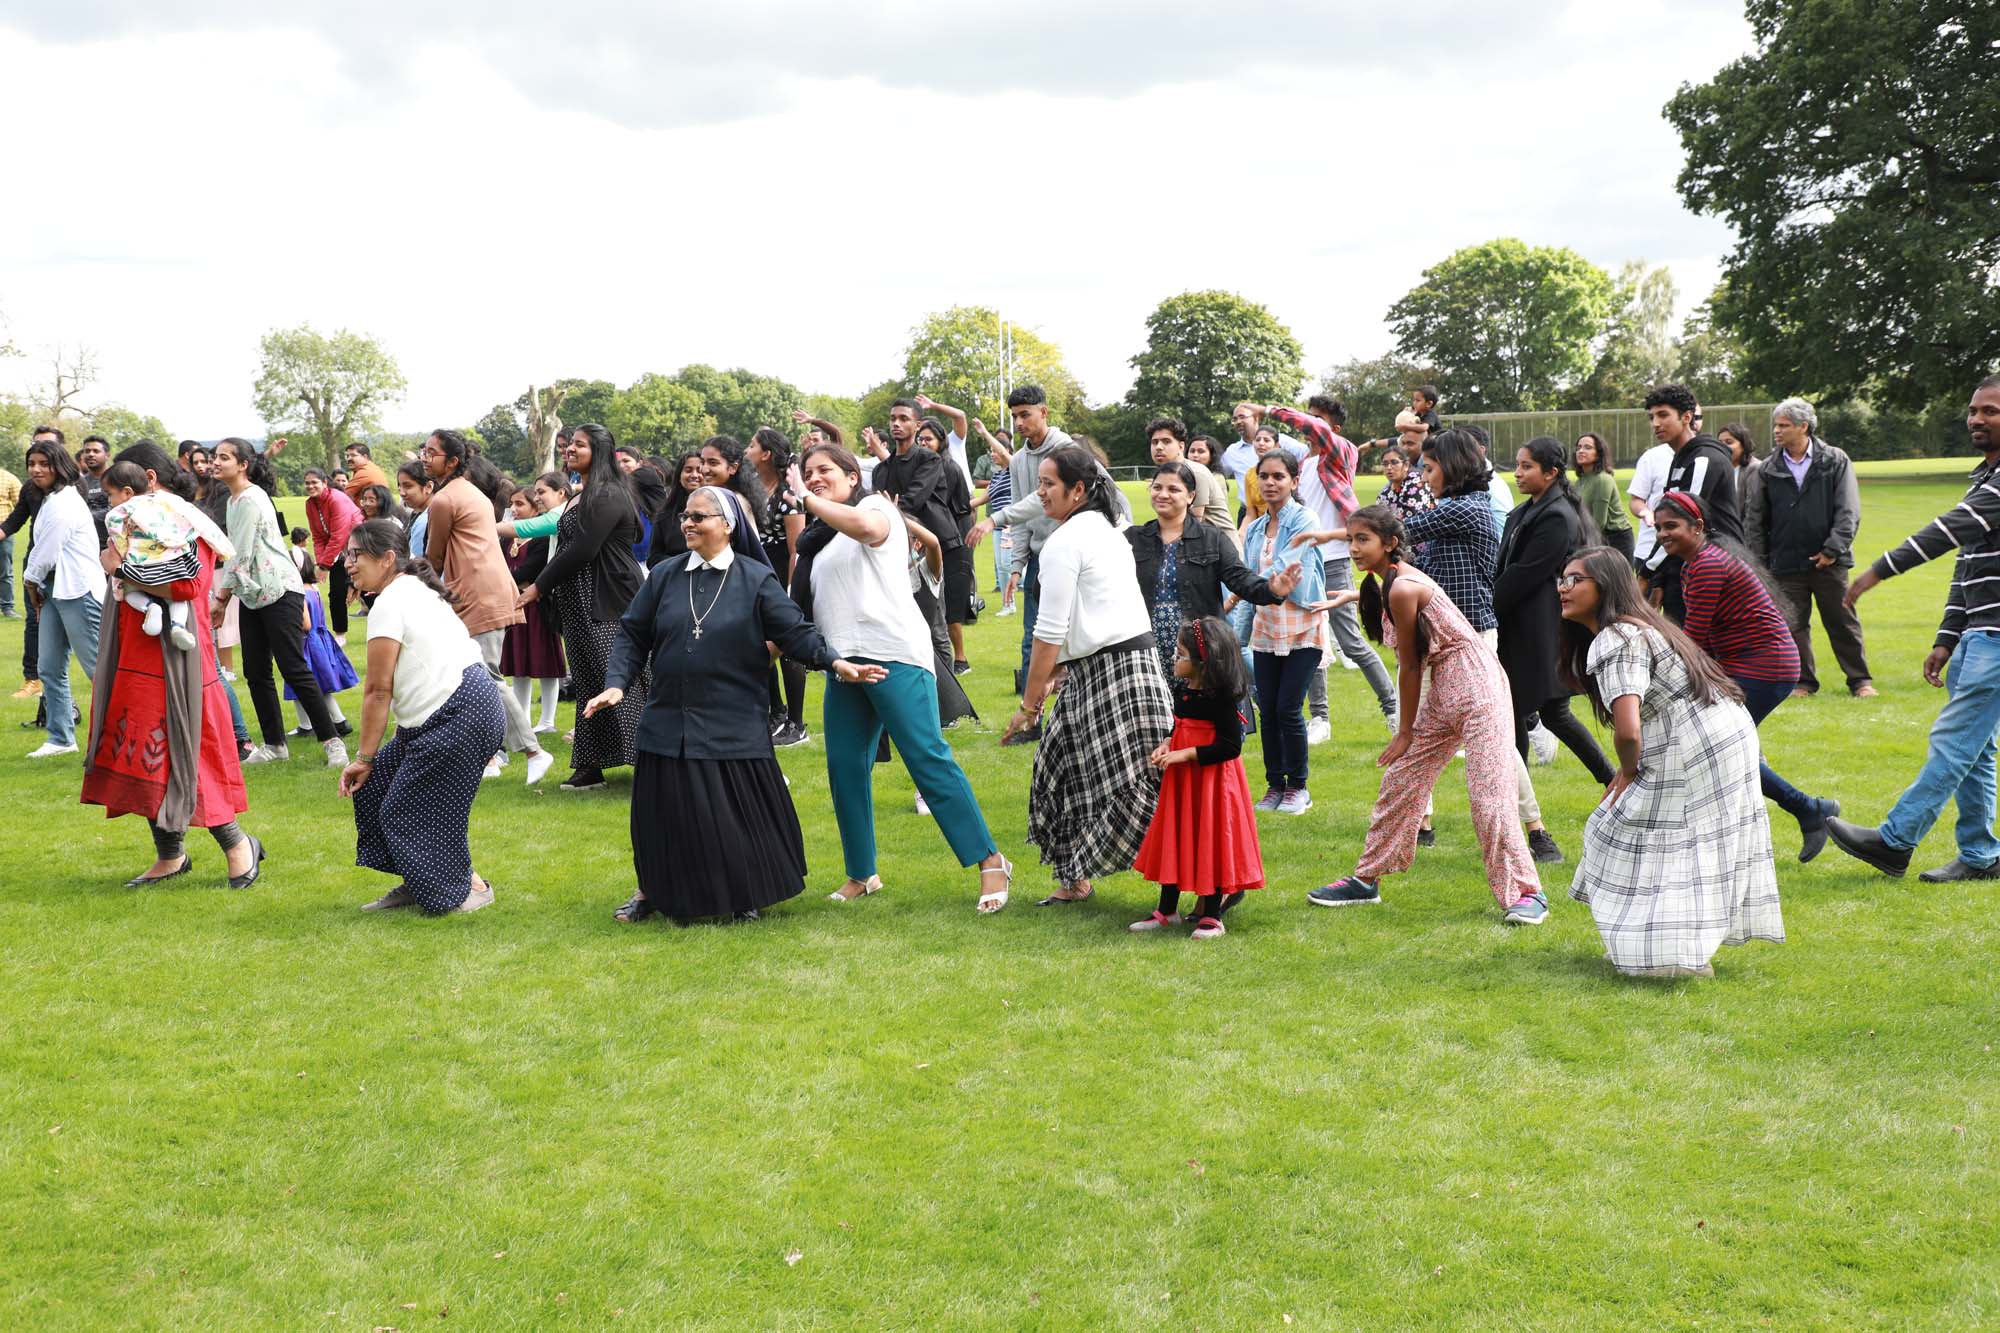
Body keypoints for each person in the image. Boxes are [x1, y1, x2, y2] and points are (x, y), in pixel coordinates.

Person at [587, 486, 884, 924]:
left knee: (734, 817)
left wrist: (836, 663)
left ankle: (745, 893)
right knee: (660, 818)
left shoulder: (753, 578)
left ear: (727, 526)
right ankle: (650, 891)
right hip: (668, 716)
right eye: (685, 516)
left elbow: (795, 632)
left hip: (732, 716)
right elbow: (632, 634)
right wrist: (617, 684)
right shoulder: (665, 575)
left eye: (698, 516)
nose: (687, 523)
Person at [783, 451, 1014, 911]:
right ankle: (862, 872)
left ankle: (991, 860)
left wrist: (806, 496)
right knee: (846, 768)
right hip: (845, 664)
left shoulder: (875, 508)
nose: (815, 478)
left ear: (853, 477)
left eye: (825, 470)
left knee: (926, 758)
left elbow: (865, 529)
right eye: (808, 473)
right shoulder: (818, 539)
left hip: (894, 656)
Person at [1305, 506, 1546, 923]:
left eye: (1363, 539)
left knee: (1489, 797)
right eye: (1350, 539)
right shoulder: (1390, 582)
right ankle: (1367, 879)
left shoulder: (1401, 587)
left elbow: (1411, 666)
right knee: (1401, 779)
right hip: (1446, 689)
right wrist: (1352, 596)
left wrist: (1404, 731)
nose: (1354, 548)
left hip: (1478, 688)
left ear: (1390, 544)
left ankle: (1527, 893)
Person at [1556, 546, 1783, 976]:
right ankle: (1658, 946)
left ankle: (1677, 956)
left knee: (1657, 835)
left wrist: (1627, 773)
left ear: (1605, 586)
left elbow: (1628, 730)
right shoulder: (1636, 626)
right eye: (1561, 580)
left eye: (1574, 580)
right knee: (1653, 833)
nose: (1562, 589)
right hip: (1716, 729)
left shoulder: (1616, 638)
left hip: (1697, 740)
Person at [1823, 376, 2000, 881]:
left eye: (1990, 411)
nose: (1977, 419)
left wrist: (1879, 570)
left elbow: (1947, 531)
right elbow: (1967, 565)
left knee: (1954, 742)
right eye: (1974, 410)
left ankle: (1895, 841)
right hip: (1978, 635)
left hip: (1997, 638)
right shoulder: (1985, 479)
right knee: (1976, 751)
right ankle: (1981, 855)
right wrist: (1947, 637)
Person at [82, 442, 262, 890]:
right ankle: (169, 854)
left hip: (177, 656)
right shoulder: (131, 519)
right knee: (143, 751)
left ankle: (238, 844)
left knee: (191, 749)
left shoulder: (186, 522)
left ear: (148, 477)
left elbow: (188, 586)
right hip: (135, 651)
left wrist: (121, 572)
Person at [1002, 445, 1174, 904]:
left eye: (1049, 484)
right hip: (1100, 668)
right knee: (1061, 768)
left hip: (1121, 674)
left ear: (1077, 490)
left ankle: (1204, 879)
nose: (1040, 492)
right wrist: (1060, 671)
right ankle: (1075, 879)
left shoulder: (1067, 541)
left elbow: (1048, 633)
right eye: (1039, 483)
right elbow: (1088, 614)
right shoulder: (1104, 529)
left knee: (1143, 784)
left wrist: (1028, 707)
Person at [1652, 491, 1839, 858]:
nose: (1662, 534)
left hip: (1764, 667)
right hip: (1750, 664)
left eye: (1671, 526)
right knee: (1725, 746)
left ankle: (1809, 809)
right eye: (1658, 527)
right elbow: (1703, 639)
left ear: (1697, 526)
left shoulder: (1706, 565)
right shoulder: (1695, 564)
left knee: (1720, 747)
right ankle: (1790, 815)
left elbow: (1694, 638)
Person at [337, 520, 503, 915]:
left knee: (409, 811)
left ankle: (470, 888)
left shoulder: (391, 601)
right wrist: (374, 762)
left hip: (460, 714)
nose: (348, 563)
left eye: (356, 554)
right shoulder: (413, 589)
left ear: (387, 559)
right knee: (377, 787)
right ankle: (420, 879)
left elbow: (378, 690)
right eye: (347, 554)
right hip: (461, 710)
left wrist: (363, 757)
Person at [969, 385, 1131, 711]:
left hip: (1081, 557)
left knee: (1081, 637)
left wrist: (994, 518)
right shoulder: (1018, 461)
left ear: (1043, 412)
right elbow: (1025, 514)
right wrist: (1016, 567)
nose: (1019, 422)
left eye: (1025, 414)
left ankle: (1082, 708)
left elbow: (1114, 498)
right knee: (1034, 637)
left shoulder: (1068, 451)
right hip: (1041, 558)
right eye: (1014, 416)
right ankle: (1032, 717)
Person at [1254, 397, 1400, 730]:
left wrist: (1271, 411)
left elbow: (1315, 429)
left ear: (1333, 428)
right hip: (1306, 561)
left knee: (1350, 641)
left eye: (1317, 419)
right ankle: (1320, 719)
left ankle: (1392, 708)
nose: (1309, 426)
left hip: (1334, 558)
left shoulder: (1341, 452)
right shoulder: (1304, 462)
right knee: (1309, 640)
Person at [420, 429, 555, 786]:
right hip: (483, 590)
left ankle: (533, 751)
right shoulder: (470, 493)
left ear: (452, 461)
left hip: (477, 593)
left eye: (432, 453)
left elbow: (434, 557)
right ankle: (490, 756)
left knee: (486, 677)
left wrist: (415, 587)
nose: (424, 458)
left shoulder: (444, 500)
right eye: (424, 451)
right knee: (469, 678)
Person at [207, 439, 348, 767]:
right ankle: (274, 745)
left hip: (279, 590)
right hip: (253, 593)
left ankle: (333, 742)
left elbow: (240, 555)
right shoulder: (233, 500)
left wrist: (221, 599)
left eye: (223, 457)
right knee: (255, 671)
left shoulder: (250, 499)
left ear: (243, 465)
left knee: (293, 667)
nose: (216, 462)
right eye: (215, 456)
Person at [523, 423, 646, 790]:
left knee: (616, 677)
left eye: (580, 444)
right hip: (579, 598)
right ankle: (591, 764)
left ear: (600, 451)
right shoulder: (584, 492)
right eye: (570, 443)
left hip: (608, 595)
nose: (570, 449)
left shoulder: (608, 493)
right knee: (589, 677)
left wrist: (538, 587)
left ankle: (649, 758)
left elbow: (583, 549)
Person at [1129, 616, 1264, 939]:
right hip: (1183, 783)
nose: (1174, 658)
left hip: (1212, 785)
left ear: (1204, 661)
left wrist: (1184, 755)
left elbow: (1229, 747)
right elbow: (1178, 726)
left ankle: (1212, 916)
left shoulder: (1222, 698)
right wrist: (1167, 744)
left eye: (1181, 654)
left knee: (1211, 839)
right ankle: (1167, 910)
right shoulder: (1183, 690)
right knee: (1176, 836)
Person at [1495, 438, 1616, 788]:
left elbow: (1525, 574)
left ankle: (1610, 782)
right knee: (1539, 711)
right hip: (1524, 624)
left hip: (1540, 627)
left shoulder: (1557, 516)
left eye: (1527, 466)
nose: (1517, 473)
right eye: (1518, 465)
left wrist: (1486, 607)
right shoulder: (1530, 509)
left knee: (1531, 709)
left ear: (1550, 473)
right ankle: (1611, 783)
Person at [1741, 398, 1874, 698]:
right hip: (1784, 563)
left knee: (1842, 621)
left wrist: (1832, 550)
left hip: (1830, 562)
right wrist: (1760, 564)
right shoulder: (1767, 468)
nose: (1777, 430)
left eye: (1784, 425)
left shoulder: (1835, 460)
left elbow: (1848, 510)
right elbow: (1755, 519)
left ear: (1803, 427)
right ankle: (1803, 682)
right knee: (1793, 626)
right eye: (1776, 425)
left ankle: (1860, 681)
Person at [1127, 461, 1298, 678]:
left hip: (1197, 648)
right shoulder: (1133, 539)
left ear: (1191, 496)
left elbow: (1240, 579)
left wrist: (1271, 590)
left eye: (1173, 489)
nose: (1163, 494)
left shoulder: (1211, 539)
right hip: (1147, 648)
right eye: (1157, 487)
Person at [1239, 450, 1327, 814]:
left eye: (1278, 476)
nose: (1270, 483)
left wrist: (1242, 590)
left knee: (1289, 708)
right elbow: (1250, 583)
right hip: (1266, 629)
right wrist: (1238, 638)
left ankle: (1298, 788)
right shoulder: (1255, 528)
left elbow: (1282, 569)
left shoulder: (1304, 519)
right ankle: (1275, 785)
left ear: (1294, 481)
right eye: (1264, 476)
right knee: (1268, 710)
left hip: (1302, 627)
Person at [21, 436, 104, 758]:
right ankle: (60, 738)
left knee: (98, 670)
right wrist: (36, 585)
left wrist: (30, 584)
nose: (36, 470)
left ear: (60, 466)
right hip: (53, 590)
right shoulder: (50, 499)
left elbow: (45, 552)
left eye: (44, 464)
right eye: (32, 464)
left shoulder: (64, 502)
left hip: (77, 591)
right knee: (49, 667)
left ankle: (123, 737)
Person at [100, 459, 230, 655]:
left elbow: (118, 541)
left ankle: (149, 607)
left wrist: (119, 570)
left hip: (140, 565)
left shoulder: (119, 512)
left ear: (127, 492)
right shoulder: (172, 503)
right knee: (177, 601)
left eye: (110, 494)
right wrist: (223, 549)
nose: (109, 501)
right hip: (173, 561)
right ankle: (178, 625)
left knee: (130, 592)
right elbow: (207, 527)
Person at [1640, 384, 1741, 618]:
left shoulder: (1704, 460)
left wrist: (1646, 574)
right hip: (1685, 568)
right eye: (1652, 417)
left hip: (1714, 572)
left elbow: (1681, 523)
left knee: (1700, 642)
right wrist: (1660, 580)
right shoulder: (1682, 458)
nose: (1655, 423)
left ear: (1686, 417)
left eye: (1663, 415)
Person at [745, 427, 810, 745]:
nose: (747, 450)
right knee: (760, 643)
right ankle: (776, 712)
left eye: (752, 445)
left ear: (766, 454)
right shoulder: (753, 488)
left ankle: (797, 724)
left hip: (783, 571)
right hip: (757, 571)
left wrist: (789, 590)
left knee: (787, 646)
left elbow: (796, 548)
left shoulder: (788, 494)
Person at [499, 480, 567, 735]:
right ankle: (523, 718)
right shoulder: (508, 538)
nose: (514, 509)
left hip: (538, 607)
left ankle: (548, 720)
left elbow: (532, 569)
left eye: (520, 504)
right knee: (519, 665)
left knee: (546, 664)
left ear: (534, 509)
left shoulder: (543, 536)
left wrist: (505, 580)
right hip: (515, 605)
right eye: (512, 504)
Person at [284, 555, 357, 737]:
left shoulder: (299, 592)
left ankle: (310, 725)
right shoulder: (313, 589)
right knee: (318, 686)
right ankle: (338, 721)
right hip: (319, 641)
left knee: (300, 682)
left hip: (306, 644)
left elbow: (306, 624)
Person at [303, 467, 363, 642]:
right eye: (307, 483)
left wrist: (324, 566)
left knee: (367, 590)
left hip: (358, 546)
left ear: (325, 483)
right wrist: (321, 562)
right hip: (336, 551)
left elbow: (339, 534)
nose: (310, 486)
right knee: (336, 592)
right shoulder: (310, 504)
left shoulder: (336, 499)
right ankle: (340, 634)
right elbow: (318, 536)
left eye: (314, 482)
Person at [1221, 403, 1305, 517]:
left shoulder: (1281, 440)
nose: (1238, 422)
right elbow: (1220, 472)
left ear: (1256, 418)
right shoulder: (1232, 452)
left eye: (1242, 417)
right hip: (1249, 512)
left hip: (1281, 510)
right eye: (1235, 419)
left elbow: (1307, 455)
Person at [1148, 417, 1232, 530]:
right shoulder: (1165, 474)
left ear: (1181, 446)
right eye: (1154, 442)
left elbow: (1195, 522)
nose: (1158, 447)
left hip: (1217, 538)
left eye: (1166, 441)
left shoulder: (1196, 473)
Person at [1572, 433, 1634, 560]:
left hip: (1615, 538)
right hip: (1593, 535)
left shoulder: (1603, 480)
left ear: (1598, 454)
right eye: (1578, 448)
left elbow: (1599, 522)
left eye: (1588, 447)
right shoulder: (1580, 481)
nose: (1581, 451)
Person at [1626, 436, 1676, 571]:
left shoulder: (1706, 456)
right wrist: (1646, 513)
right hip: (1649, 550)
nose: (1656, 425)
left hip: (1689, 554)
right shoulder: (1652, 457)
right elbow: (1636, 500)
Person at [1377, 442, 1432, 525]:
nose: (1389, 467)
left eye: (1394, 462)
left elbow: (1411, 519)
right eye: (1385, 464)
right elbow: (1378, 517)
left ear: (1406, 465)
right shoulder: (1386, 491)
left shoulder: (1417, 483)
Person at [1717, 422, 1759, 500]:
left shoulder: (1754, 468)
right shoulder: (1719, 469)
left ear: (1743, 445)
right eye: (1719, 443)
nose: (1722, 446)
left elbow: (1754, 504)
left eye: (1729, 442)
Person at [0, 458, 17, 619]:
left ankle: (7, 607)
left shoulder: (8, 478)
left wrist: (7, 526)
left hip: (3, 531)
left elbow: (21, 504)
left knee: (4, 570)